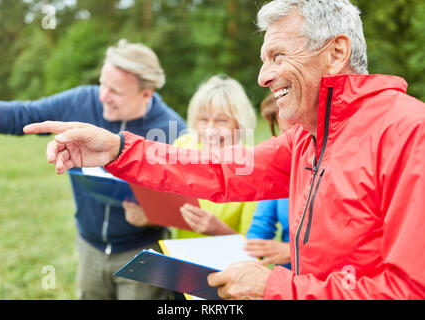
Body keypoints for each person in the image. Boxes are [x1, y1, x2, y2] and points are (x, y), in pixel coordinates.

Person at [24, 0, 425, 300]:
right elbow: (219, 169)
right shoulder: (308, 137)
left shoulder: (408, 131)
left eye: (278, 55)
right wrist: (117, 150)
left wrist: (275, 286)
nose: (264, 75)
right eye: (264, 58)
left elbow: (409, 289)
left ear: (336, 53)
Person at [0, 39, 187, 300]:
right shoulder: (81, 101)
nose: (102, 96)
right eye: (102, 83)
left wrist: (153, 216)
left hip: (143, 252)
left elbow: (188, 205)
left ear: (147, 92)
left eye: (115, 91)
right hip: (90, 247)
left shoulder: (173, 130)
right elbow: (23, 114)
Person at [124, 75, 257, 239]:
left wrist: (219, 230)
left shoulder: (251, 168)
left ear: (239, 123)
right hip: (180, 257)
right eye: (203, 120)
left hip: (224, 263)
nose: (210, 130)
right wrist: (148, 217)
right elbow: (169, 208)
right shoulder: (183, 146)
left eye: (221, 121)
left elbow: (256, 247)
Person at [244, 92, 293, 269]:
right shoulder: (282, 170)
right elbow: (259, 230)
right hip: (287, 282)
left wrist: (293, 252)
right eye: (284, 134)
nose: (290, 143)